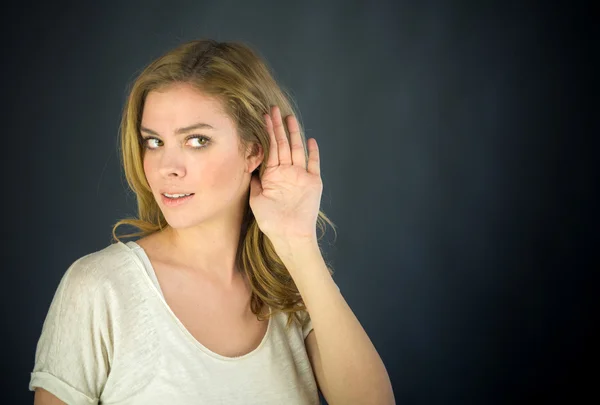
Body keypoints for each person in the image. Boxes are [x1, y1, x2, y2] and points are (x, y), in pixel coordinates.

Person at [29, 39, 395, 405]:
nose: (167, 167)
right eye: (154, 142)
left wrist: (298, 241)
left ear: (253, 150)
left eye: (197, 140)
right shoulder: (99, 288)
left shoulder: (290, 287)